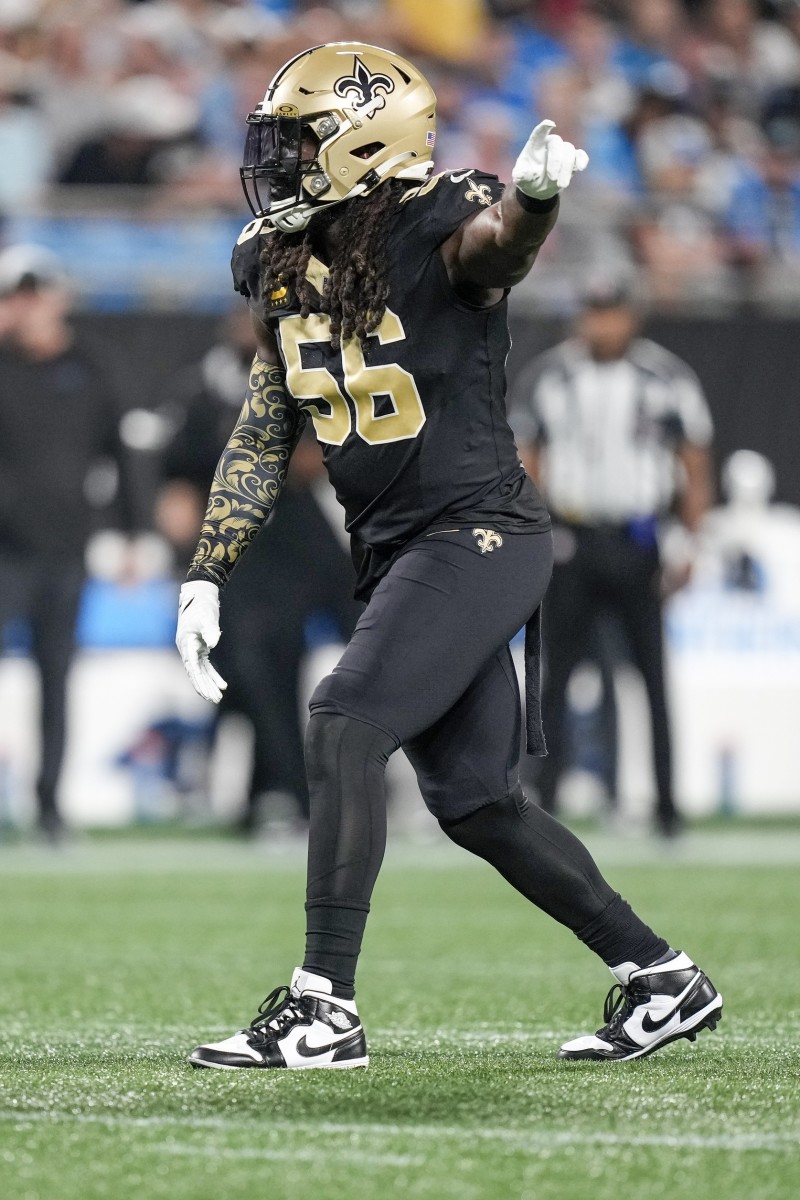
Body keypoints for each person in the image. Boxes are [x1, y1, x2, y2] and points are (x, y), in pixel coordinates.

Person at [175, 42, 721, 1069]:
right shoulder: (281, 262)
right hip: (393, 548)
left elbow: (494, 248)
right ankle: (660, 975)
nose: (280, 159)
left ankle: (322, 1005)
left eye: (301, 138)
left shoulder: (437, 218)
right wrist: (207, 567)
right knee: (477, 804)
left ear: (365, 140)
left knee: (342, 720)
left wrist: (536, 203)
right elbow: (264, 426)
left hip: (476, 531)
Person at [511, 280, 714, 837]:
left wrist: (691, 541)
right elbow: (527, 458)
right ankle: (544, 804)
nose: (602, 327)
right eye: (593, 314)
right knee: (555, 678)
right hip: (572, 536)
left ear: (632, 317)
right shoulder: (551, 376)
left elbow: (694, 460)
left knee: (652, 677)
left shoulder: (665, 377)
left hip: (638, 537)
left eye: (612, 315)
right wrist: (538, 530)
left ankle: (667, 807)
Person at [156, 308, 360, 833]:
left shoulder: (307, 374)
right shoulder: (206, 386)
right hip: (235, 548)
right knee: (246, 669)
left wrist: (269, 455)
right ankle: (275, 794)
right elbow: (178, 477)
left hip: (291, 543)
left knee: (291, 667)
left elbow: (315, 459)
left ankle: (281, 794)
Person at [0, 244, 136, 840]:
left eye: (36, 293)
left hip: (64, 548)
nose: (28, 308)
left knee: (56, 682)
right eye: (16, 296)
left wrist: (133, 534)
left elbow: (123, 454)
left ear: (59, 298)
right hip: (2, 550)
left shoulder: (91, 365)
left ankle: (49, 807)